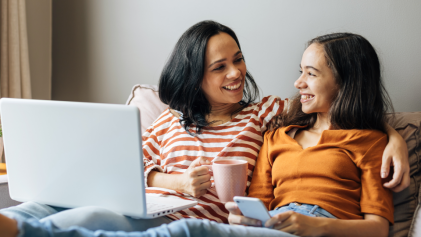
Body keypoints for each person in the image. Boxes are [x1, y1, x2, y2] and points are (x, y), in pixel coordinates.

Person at [0, 23, 408, 236]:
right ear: (194, 77)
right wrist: (173, 180)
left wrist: (392, 138)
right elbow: (119, 170)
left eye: (239, 59)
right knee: (51, 204)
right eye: (219, 67)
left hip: (191, 220)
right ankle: (18, 223)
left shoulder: (264, 115)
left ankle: (23, 231)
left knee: (97, 215)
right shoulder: (168, 120)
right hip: (151, 202)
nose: (236, 73)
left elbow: (337, 113)